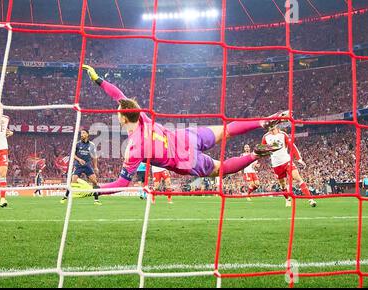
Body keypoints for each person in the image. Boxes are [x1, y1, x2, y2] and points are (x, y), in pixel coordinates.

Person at [72, 65, 285, 197]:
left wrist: (95, 190)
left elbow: (121, 183)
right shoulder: (142, 117)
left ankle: (254, 155)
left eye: (118, 110)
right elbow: (119, 95)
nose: (117, 108)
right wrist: (98, 80)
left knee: (220, 169)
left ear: (123, 118)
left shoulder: (134, 148)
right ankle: (261, 122)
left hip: (184, 159)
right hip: (186, 136)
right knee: (226, 129)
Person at [262, 125, 317, 207]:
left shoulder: (283, 134)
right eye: (269, 129)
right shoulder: (265, 137)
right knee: (282, 185)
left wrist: (299, 159)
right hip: (276, 164)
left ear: (277, 128)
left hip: (286, 161)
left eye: (272, 129)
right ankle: (287, 199)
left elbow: (292, 146)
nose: (271, 131)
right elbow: (262, 149)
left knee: (298, 178)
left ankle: (310, 199)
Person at [61, 129, 102, 205]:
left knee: (95, 182)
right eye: (81, 133)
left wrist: (96, 167)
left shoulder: (92, 145)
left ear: (87, 134)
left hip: (87, 166)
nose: (81, 134)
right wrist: (79, 160)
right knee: (73, 181)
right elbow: (72, 154)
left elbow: (95, 157)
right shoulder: (77, 144)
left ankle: (96, 200)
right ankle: (65, 197)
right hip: (78, 165)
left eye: (83, 133)